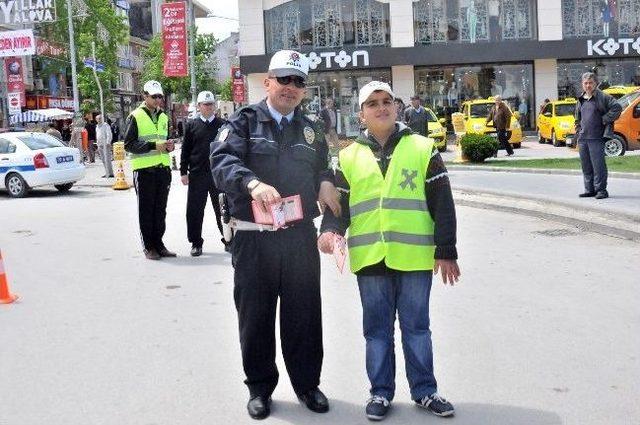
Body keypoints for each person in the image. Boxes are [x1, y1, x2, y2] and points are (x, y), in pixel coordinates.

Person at [318, 81, 460, 421]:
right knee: (377, 331)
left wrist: (446, 249)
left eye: (387, 101)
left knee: (417, 328)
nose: (381, 108)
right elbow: (341, 205)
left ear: (396, 108)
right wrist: (329, 231)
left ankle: (425, 390)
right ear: (361, 114)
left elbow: (442, 203)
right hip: (370, 259)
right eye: (372, 103)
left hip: (413, 258)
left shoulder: (423, 148)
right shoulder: (348, 156)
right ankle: (380, 393)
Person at [210, 49, 340, 420]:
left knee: (304, 313)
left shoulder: (310, 127)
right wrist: (251, 183)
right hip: (254, 237)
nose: (290, 88)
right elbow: (221, 162)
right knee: (256, 315)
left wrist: (327, 182)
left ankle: (307, 385)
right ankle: (260, 388)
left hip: (298, 235)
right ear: (267, 81)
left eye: (298, 82)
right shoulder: (243, 122)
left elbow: (323, 165)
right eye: (284, 79)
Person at [124, 80, 177, 260]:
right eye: (153, 96)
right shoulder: (135, 116)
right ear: (144, 96)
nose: (157, 99)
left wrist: (169, 146)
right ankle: (149, 247)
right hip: (144, 170)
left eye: (159, 96)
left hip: (163, 169)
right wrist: (155, 146)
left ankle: (159, 243)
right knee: (146, 210)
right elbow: (129, 144)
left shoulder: (163, 116)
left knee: (160, 210)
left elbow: (167, 139)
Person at [180, 91, 226, 256]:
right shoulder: (192, 125)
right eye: (205, 104)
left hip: (218, 174)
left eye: (211, 104)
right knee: (194, 210)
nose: (209, 107)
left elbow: (230, 149)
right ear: (199, 107)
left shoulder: (223, 125)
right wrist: (183, 171)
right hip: (197, 174)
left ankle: (228, 239)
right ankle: (196, 242)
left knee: (223, 208)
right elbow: (185, 150)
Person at [574, 72, 622, 199]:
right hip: (583, 138)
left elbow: (617, 107)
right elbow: (577, 118)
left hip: (597, 137)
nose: (588, 85)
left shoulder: (603, 97)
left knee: (598, 165)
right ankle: (590, 189)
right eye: (585, 83)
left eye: (590, 83)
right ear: (582, 85)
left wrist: (605, 119)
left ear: (596, 83)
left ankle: (601, 190)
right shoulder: (581, 99)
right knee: (586, 166)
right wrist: (578, 130)